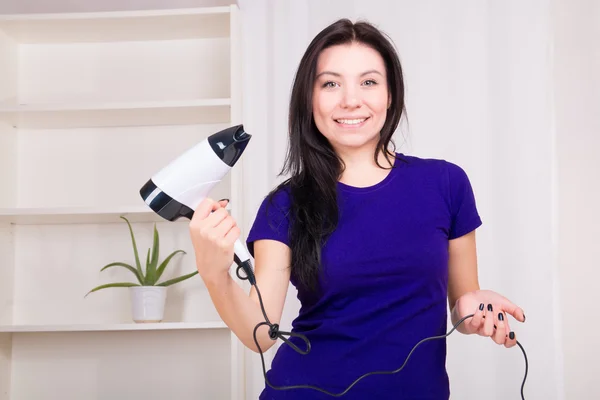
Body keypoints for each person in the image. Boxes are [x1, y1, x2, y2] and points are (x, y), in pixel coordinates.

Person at [189, 18, 526, 400]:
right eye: (330, 83)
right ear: (309, 99)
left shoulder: (446, 184)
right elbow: (261, 335)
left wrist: (473, 307)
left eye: (368, 82)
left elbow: (463, 305)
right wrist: (214, 274)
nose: (351, 100)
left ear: (390, 95)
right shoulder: (284, 204)